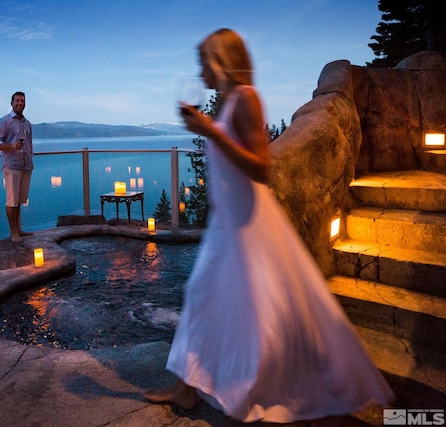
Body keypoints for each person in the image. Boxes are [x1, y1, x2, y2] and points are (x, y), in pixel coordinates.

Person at [143, 29, 394, 424]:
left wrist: (209, 131)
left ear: (221, 61)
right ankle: (189, 388)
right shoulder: (228, 101)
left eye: (204, 61)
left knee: (255, 305)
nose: (200, 70)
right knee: (211, 301)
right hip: (229, 222)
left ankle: (251, 383)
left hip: (248, 224)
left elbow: (261, 168)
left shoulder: (246, 99)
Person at [0, 91, 34, 243]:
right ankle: (13, 233)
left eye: (22, 101)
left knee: (19, 200)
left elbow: (29, 145)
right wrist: (11, 146)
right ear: (11, 103)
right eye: (17, 101)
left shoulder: (27, 123)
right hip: (12, 166)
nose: (20, 103)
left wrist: (30, 160)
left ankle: (19, 229)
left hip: (26, 165)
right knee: (11, 200)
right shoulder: (4, 121)